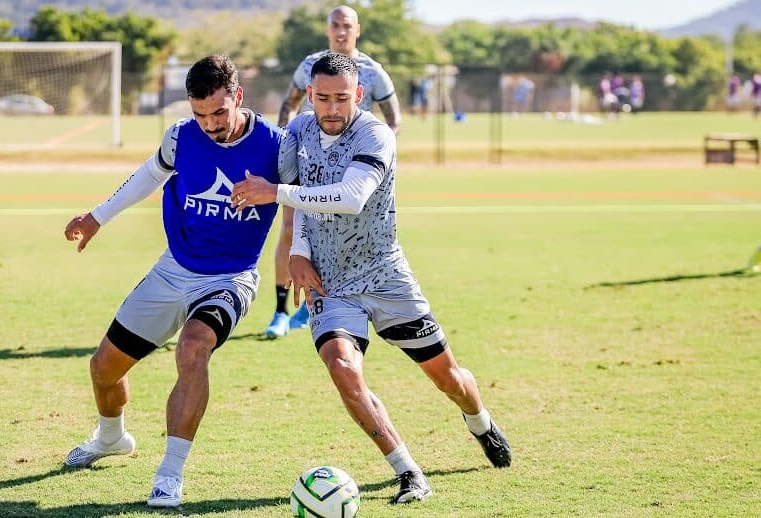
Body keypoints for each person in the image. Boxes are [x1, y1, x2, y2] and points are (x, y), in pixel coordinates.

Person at [231, 53, 511, 505]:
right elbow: (304, 196)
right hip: (330, 281)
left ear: (359, 95)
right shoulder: (300, 131)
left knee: (448, 379)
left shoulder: (375, 134)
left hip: (386, 276)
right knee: (342, 368)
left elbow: (351, 196)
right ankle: (408, 470)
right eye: (322, 98)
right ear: (310, 97)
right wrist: (300, 251)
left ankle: (479, 420)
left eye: (342, 98)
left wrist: (275, 192)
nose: (332, 108)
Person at [62, 55, 293, 508]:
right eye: (199, 113)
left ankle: (169, 474)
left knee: (193, 347)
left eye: (218, 112)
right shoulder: (180, 137)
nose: (209, 124)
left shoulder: (277, 146)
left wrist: (302, 254)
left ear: (238, 97)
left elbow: (297, 207)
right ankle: (111, 438)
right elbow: (149, 176)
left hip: (230, 277)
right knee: (103, 369)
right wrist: (97, 217)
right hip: (173, 269)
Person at [266, 4, 403, 339]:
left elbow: (394, 118)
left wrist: (379, 155)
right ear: (327, 30)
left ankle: (315, 303)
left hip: (352, 174)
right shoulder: (311, 65)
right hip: (309, 165)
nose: (340, 32)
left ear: (357, 30)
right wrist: (287, 148)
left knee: (338, 240)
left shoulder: (372, 71)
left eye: (347, 26)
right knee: (290, 230)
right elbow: (290, 102)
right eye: (334, 26)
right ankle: (280, 311)